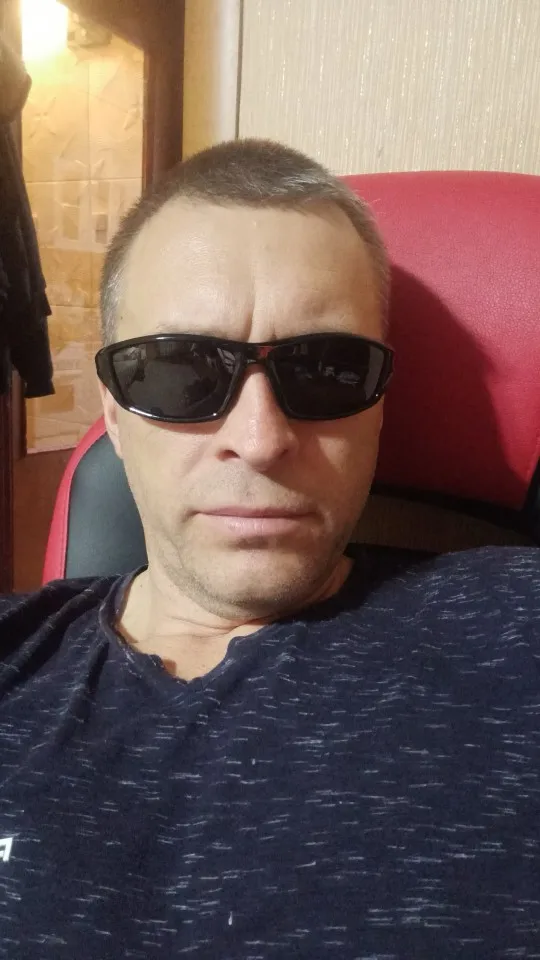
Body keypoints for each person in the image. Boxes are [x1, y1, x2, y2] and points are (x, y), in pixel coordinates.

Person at [1, 139, 539, 960]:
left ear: (380, 404)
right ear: (113, 409)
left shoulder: (516, 626)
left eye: (327, 368)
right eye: (179, 369)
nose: (259, 440)